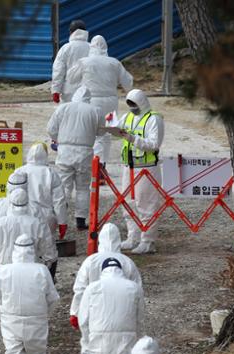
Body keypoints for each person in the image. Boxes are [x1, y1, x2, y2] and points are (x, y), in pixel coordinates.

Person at [70, 223, 142, 354]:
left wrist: (75, 313)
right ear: (119, 239)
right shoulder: (127, 263)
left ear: (99, 239)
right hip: (123, 319)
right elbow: (138, 293)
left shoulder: (91, 261)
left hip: (95, 317)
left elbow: (79, 290)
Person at [0, 234, 60, 354]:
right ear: (33, 250)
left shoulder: (4, 270)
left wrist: (7, 311)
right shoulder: (41, 270)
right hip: (36, 319)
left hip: (11, 319)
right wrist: (44, 313)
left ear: (14, 250)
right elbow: (53, 298)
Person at [67, 35, 133, 164]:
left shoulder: (84, 62)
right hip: (110, 103)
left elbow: (71, 78)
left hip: (91, 101)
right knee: (107, 133)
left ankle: (93, 163)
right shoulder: (115, 63)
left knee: (91, 131)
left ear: (91, 47)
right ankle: (102, 165)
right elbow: (128, 83)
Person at [47, 85, 104, 230]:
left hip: (65, 151)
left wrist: (58, 140)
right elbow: (101, 132)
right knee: (83, 188)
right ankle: (80, 221)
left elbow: (51, 129)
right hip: (85, 152)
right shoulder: (95, 111)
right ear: (88, 99)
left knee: (64, 187)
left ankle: (60, 220)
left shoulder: (63, 108)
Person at [116, 89, 165, 254]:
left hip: (146, 168)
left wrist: (132, 138)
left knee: (146, 204)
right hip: (128, 166)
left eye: (134, 104)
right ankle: (133, 237)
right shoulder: (128, 116)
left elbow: (153, 144)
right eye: (129, 104)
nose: (131, 107)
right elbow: (117, 131)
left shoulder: (154, 119)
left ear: (142, 102)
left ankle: (148, 241)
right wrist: (111, 125)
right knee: (127, 203)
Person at [0, 188, 58, 277]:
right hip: (31, 268)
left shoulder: (0, 223)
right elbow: (48, 248)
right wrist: (48, 262)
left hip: (5, 269)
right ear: (27, 203)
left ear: (10, 203)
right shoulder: (36, 223)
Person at [17, 142, 68, 240]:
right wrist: (62, 222)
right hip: (46, 219)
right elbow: (59, 201)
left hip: (23, 216)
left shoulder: (19, 171)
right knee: (46, 249)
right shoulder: (51, 173)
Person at [51, 19, 90, 103]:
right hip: (88, 91)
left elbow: (58, 70)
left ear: (71, 32)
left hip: (69, 92)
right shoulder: (92, 48)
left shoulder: (66, 48)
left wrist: (56, 91)